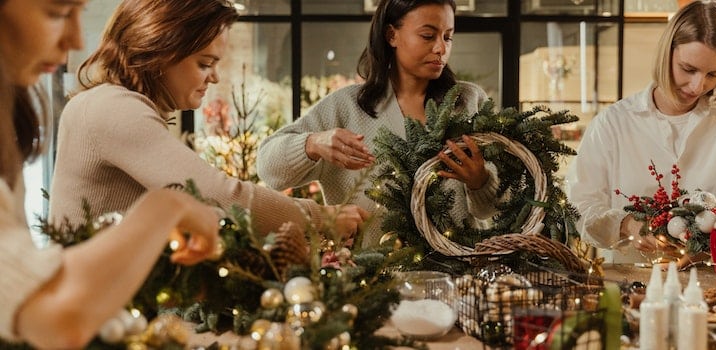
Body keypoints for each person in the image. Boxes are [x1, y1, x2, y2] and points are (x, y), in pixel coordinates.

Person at [0, 0, 222, 347]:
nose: (76, 40)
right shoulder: (112, 107)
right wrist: (168, 205)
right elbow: (57, 318)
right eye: (58, 13)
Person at [48, 0, 368, 240]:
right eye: (204, 63)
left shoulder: (110, 104)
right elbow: (220, 194)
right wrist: (322, 218)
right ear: (161, 50)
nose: (214, 77)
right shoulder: (113, 108)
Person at [257, 0, 499, 247]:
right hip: (371, 270)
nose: (441, 48)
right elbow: (269, 170)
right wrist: (312, 143)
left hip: (465, 267)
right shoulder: (346, 107)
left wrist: (480, 181)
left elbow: (499, 206)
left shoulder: (468, 102)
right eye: (428, 36)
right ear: (391, 35)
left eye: (448, 37)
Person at [566, 0, 716, 264]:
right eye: (688, 69)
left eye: (713, 74)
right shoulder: (613, 124)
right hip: (635, 281)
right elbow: (579, 207)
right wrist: (626, 224)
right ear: (666, 53)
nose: (697, 86)